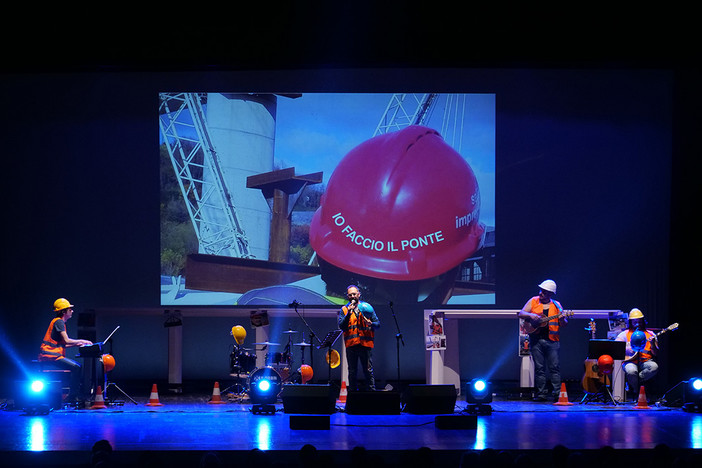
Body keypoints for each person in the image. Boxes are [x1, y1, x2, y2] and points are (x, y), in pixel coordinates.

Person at [517, 279, 568, 401]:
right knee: (539, 369)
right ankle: (542, 394)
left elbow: (564, 324)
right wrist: (530, 315)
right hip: (536, 340)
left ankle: (557, 394)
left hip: (552, 341)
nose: (541, 293)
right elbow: (520, 313)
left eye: (544, 292)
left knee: (554, 367)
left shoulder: (557, 305)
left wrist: (562, 319)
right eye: (541, 291)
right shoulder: (533, 301)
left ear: (550, 294)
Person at [38, 298, 93, 403]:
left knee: (76, 367)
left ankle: (73, 395)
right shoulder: (59, 322)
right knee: (77, 367)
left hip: (53, 355)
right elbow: (67, 340)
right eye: (69, 309)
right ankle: (72, 397)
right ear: (63, 311)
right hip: (50, 356)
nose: (72, 311)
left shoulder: (58, 322)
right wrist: (82, 341)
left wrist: (77, 344)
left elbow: (63, 344)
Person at [338, 284, 380, 391]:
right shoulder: (344, 309)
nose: (352, 296)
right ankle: (353, 396)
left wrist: (371, 323)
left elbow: (378, 324)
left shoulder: (367, 308)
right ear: (347, 296)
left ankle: (372, 394)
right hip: (351, 346)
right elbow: (342, 326)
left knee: (368, 371)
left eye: (354, 294)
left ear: (359, 294)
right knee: (352, 371)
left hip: (365, 345)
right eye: (350, 295)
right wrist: (349, 313)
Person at [615, 308, 659, 400]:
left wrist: (652, 344)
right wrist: (627, 349)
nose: (637, 324)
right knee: (631, 371)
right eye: (634, 322)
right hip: (629, 361)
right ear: (630, 322)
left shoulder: (651, 334)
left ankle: (633, 383)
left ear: (643, 321)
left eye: (639, 321)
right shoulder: (624, 334)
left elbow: (655, 353)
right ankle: (639, 391)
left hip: (646, 361)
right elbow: (616, 348)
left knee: (654, 367)